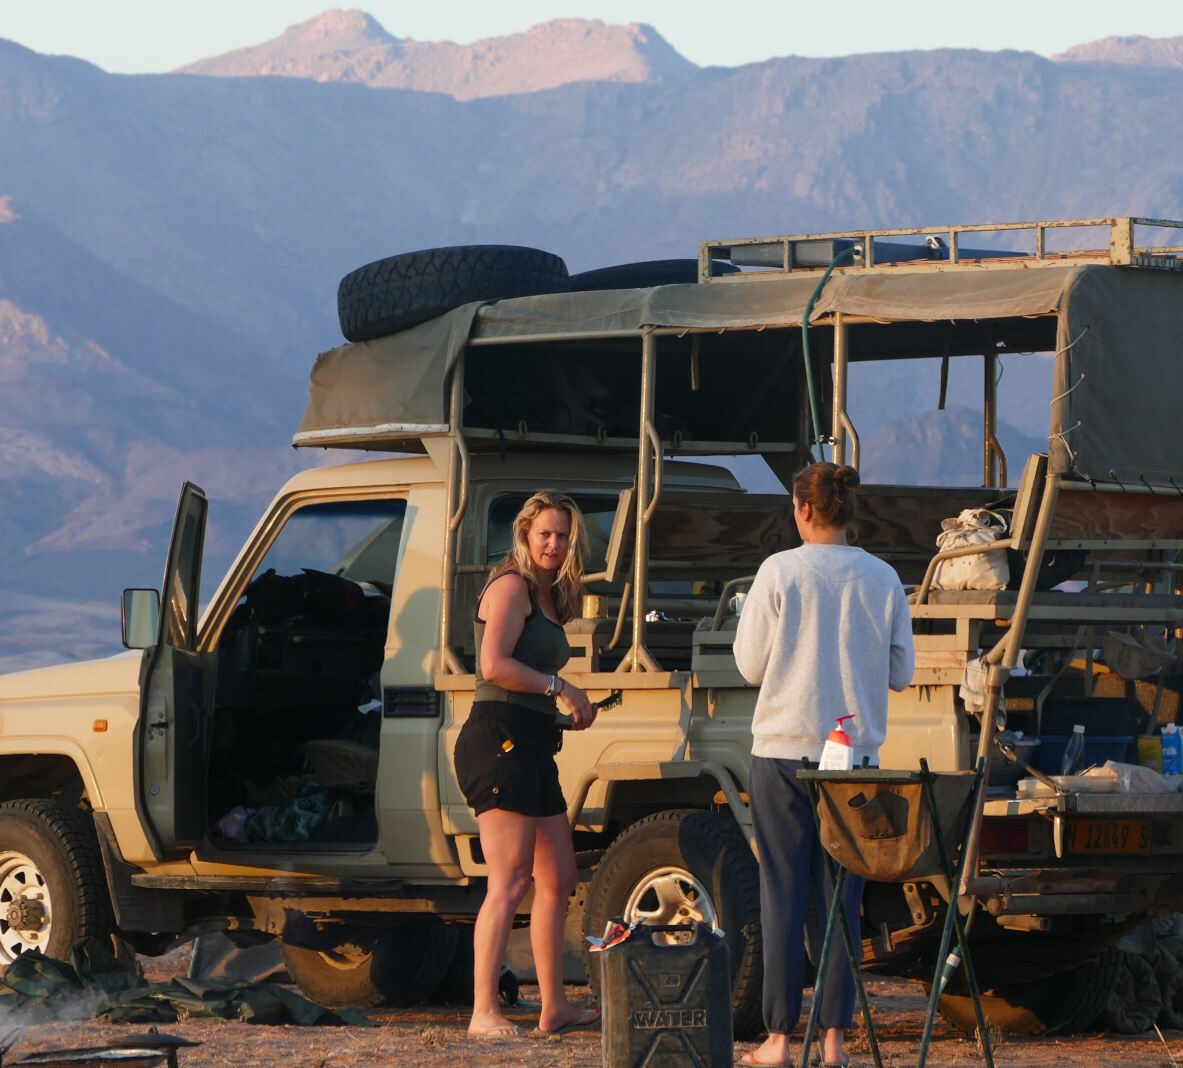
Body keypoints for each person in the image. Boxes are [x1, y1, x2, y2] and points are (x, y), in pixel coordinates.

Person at [732, 462, 915, 1068]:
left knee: (781, 896)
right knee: (843, 899)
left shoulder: (778, 571)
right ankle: (834, 1041)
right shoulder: (883, 577)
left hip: (783, 755)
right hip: (855, 764)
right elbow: (901, 672)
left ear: (803, 509)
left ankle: (780, 1040)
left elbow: (750, 667)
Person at [454, 490, 603, 1039]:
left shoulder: (548, 596)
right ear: (525, 534)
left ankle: (554, 1008)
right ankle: (482, 1012)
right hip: (498, 742)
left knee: (558, 877)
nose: (555, 544)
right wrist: (560, 686)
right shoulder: (511, 586)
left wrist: (557, 712)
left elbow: (528, 678)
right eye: (545, 533)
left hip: (533, 743)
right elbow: (493, 665)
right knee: (510, 881)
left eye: (563, 535)